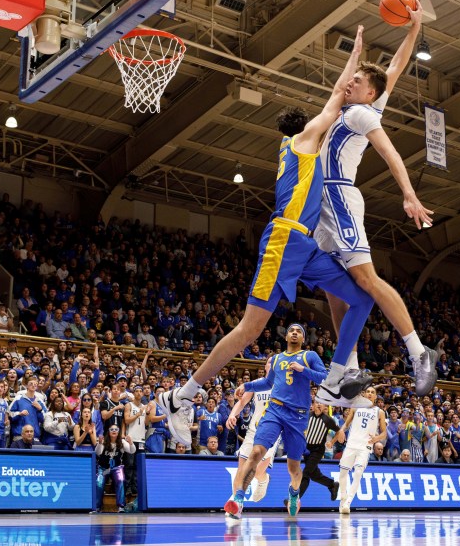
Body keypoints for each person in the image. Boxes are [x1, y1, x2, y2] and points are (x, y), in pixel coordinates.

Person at [157, 26, 374, 441]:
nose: (324, 120)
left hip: (305, 244)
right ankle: (181, 397)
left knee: (361, 297)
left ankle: (337, 379)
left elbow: (335, 99)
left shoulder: (295, 147)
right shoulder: (305, 139)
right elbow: (336, 95)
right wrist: (355, 60)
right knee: (249, 330)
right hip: (284, 240)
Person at [314, 1, 436, 397]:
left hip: (340, 197)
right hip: (321, 203)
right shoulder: (351, 106)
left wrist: (409, 194)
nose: (349, 83)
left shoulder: (363, 115)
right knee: (333, 290)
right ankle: (348, 369)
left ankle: (419, 352)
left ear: (370, 93)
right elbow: (395, 69)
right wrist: (412, 31)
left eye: (357, 81)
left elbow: (391, 153)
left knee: (366, 279)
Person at [225, 324, 327, 519]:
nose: (295, 333)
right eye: (291, 331)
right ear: (286, 336)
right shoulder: (278, 359)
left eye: (299, 331)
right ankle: (238, 500)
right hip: (275, 409)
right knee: (256, 452)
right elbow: (267, 383)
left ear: (303, 339)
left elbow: (324, 378)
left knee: (293, 467)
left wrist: (303, 369)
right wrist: (246, 385)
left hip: (297, 415)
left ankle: (294, 494)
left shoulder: (310, 356)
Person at [225, 370, 281, 504]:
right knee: (242, 469)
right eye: (269, 361)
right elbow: (242, 402)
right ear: (266, 366)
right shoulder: (257, 383)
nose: (272, 363)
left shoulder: (283, 384)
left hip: (273, 430)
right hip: (254, 430)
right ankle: (236, 503)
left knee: (256, 471)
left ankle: (263, 479)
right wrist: (232, 414)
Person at [333, 386, 387, 514]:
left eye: (372, 392)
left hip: (365, 446)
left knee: (358, 473)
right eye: (367, 391)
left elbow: (384, 433)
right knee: (343, 473)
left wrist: (377, 438)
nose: (369, 394)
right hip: (351, 444)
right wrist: (341, 431)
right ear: (364, 394)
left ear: (375, 397)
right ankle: (343, 497)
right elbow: (346, 424)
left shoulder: (379, 412)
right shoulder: (356, 406)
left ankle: (348, 502)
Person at [300, 401, 340, 501]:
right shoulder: (307, 416)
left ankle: (295, 499)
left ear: (324, 406)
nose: (318, 405)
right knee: (314, 475)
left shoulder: (328, 420)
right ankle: (332, 484)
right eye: (316, 403)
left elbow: (339, 431)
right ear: (312, 405)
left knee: (306, 474)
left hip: (318, 450)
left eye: (321, 403)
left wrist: (332, 442)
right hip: (307, 449)